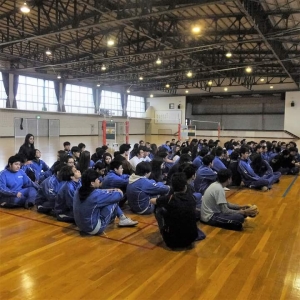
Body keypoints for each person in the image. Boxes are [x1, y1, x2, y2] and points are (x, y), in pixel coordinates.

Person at [73, 169, 138, 235]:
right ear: (92, 183)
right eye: (97, 179)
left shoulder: (78, 191)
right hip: (93, 229)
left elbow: (99, 193)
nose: (99, 180)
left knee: (106, 199)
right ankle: (123, 219)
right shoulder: (95, 195)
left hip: (80, 226)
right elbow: (119, 194)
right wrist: (115, 190)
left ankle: (121, 218)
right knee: (112, 199)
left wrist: (110, 190)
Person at [150, 173, 205, 249]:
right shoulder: (192, 198)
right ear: (185, 186)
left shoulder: (169, 199)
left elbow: (152, 201)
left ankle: (163, 230)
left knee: (158, 209)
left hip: (172, 242)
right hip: (191, 239)